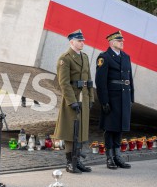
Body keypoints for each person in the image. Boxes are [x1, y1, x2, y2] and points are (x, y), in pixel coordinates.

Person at [54, 29, 94, 174]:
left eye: (83, 40)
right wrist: (72, 101)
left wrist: (91, 98)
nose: (82, 43)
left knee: (81, 130)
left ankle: (78, 160)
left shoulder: (85, 57)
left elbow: (89, 80)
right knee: (71, 131)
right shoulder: (65, 58)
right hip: (73, 99)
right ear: (71, 42)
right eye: (79, 41)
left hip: (84, 96)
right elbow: (63, 83)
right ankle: (70, 162)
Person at [95, 30, 133, 170]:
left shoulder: (126, 56)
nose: (122, 42)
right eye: (119, 41)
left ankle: (118, 156)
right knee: (110, 129)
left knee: (120, 128)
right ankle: (109, 157)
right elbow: (100, 82)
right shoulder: (104, 57)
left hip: (124, 97)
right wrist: (104, 101)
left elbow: (130, 79)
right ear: (111, 42)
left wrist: (131, 98)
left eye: (122, 40)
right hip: (112, 98)